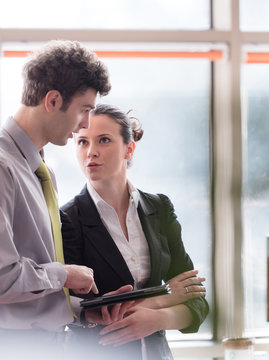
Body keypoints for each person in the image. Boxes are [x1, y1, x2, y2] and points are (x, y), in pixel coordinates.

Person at [0, 40, 115, 360]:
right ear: (52, 100)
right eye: (85, 110)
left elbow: (25, 289)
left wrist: (81, 309)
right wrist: (65, 274)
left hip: (34, 345)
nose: (85, 125)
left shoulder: (35, 167)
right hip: (4, 349)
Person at [60, 104, 209, 359]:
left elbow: (196, 300)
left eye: (104, 140)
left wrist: (157, 318)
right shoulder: (67, 219)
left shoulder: (159, 208)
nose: (91, 152)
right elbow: (79, 310)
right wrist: (167, 296)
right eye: (82, 142)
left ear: (129, 148)